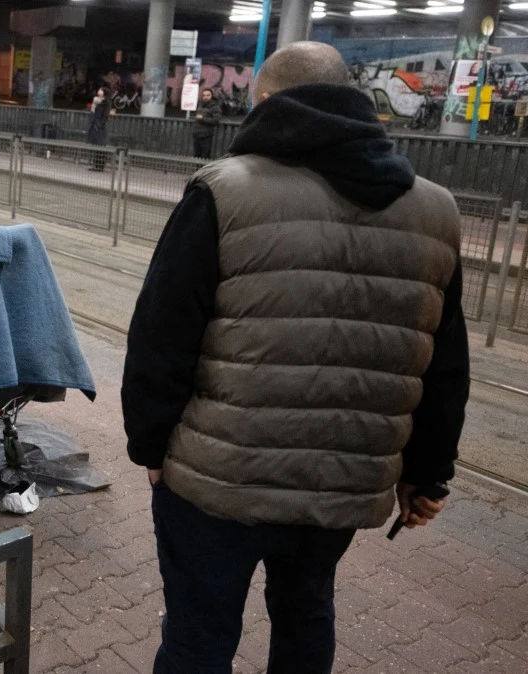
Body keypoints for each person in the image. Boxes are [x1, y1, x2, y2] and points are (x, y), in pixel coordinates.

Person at [122, 41, 469, 674]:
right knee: (307, 614)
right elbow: (444, 366)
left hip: (215, 479)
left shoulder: (223, 192)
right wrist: (427, 474)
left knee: (200, 634)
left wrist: (149, 448)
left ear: (264, 101)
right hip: (342, 480)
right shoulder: (436, 210)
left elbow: (161, 336)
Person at [87, 87, 114, 172]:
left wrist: (100, 124)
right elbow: (93, 111)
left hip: (100, 126)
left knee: (101, 146)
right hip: (95, 124)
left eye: (101, 90)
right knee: (96, 146)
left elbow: (105, 115)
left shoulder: (106, 102)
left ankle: (100, 166)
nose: (99, 91)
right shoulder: (97, 101)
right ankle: (96, 165)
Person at [192, 88, 221, 159]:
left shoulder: (215, 107)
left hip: (206, 135)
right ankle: (197, 169)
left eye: (208, 95)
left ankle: (204, 170)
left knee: (205, 156)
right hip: (197, 134)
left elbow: (216, 120)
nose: (205, 97)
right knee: (196, 155)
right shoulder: (200, 105)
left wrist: (203, 119)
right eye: (204, 95)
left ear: (211, 96)